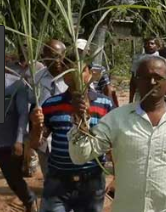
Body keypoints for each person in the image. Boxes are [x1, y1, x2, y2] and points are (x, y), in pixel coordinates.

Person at [68, 56, 166, 212]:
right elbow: (79, 155)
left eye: (159, 78)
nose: (153, 82)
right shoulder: (117, 118)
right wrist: (79, 120)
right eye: (146, 77)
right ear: (136, 81)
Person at [30, 51, 114, 212]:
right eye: (70, 71)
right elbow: (37, 143)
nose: (75, 75)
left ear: (90, 74)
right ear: (64, 76)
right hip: (58, 181)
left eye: (81, 70)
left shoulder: (105, 104)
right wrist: (36, 126)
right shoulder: (50, 105)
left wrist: (117, 176)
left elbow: (113, 144)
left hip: (92, 181)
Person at [32, 40, 69, 177]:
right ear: (44, 57)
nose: (56, 60)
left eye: (59, 56)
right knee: (49, 179)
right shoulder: (37, 78)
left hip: (67, 137)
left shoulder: (72, 76)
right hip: (44, 140)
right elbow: (31, 105)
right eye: (51, 57)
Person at [2, 70, 37, 212]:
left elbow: (23, 114)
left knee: (13, 179)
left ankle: (29, 200)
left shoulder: (16, 83)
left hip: (8, 142)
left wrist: (19, 140)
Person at [129, 37, 159, 103]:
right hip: (140, 93)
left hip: (156, 92)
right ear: (144, 45)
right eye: (147, 43)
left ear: (157, 46)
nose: (149, 45)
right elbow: (133, 79)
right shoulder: (138, 59)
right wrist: (131, 99)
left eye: (152, 43)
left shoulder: (161, 60)